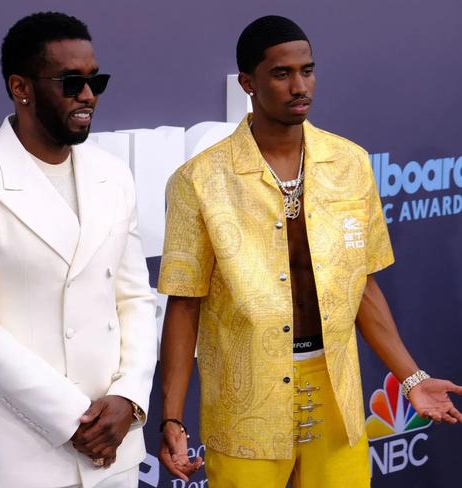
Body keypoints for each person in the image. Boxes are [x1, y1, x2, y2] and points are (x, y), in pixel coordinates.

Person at [157, 15, 462, 488]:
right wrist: (172, 418)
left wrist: (411, 378)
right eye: (282, 73)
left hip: (336, 393)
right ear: (247, 83)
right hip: (247, 405)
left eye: (308, 70)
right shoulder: (200, 180)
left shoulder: (350, 163)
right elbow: (184, 302)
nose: (300, 86)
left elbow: (361, 286)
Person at [0, 12, 157, 488]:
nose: (88, 96)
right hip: (16, 454)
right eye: (72, 82)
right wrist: (75, 418)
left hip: (115, 448)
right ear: (21, 87)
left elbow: (134, 298)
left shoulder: (113, 176)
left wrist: (129, 399)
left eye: (96, 81)